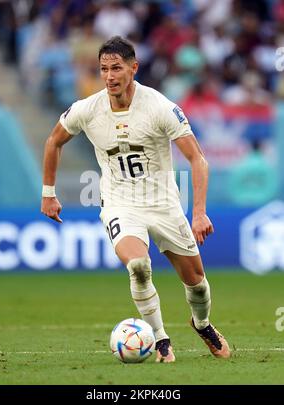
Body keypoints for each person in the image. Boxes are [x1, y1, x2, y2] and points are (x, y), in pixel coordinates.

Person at [41, 36, 230, 362]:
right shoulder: (88, 109)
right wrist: (48, 194)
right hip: (120, 204)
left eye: (116, 68)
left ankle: (202, 324)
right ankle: (160, 340)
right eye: (104, 69)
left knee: (196, 283)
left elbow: (198, 159)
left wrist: (198, 213)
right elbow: (53, 142)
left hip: (164, 204)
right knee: (139, 267)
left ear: (133, 68)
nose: (110, 76)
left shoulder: (159, 107)